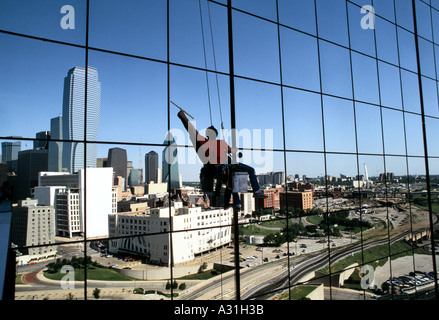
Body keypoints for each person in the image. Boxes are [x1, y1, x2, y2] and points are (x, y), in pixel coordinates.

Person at [177, 110, 267, 209]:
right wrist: (183, 117)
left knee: (232, 179)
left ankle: (236, 203)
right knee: (243, 173)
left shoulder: (205, 142)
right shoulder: (220, 142)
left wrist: (183, 117)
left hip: (220, 168)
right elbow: (232, 151)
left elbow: (191, 130)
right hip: (225, 165)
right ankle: (253, 193)